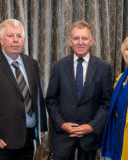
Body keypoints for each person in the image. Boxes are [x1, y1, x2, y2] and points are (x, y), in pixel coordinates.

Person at [0, 19, 47, 160]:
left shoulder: (32, 63)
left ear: (24, 40)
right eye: (10, 36)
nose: (15, 40)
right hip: (2, 142)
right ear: (1, 40)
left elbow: (38, 97)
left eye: (19, 36)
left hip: (28, 138)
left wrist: (42, 125)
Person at [45, 20, 112, 160]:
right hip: (63, 137)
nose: (80, 42)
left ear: (91, 40)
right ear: (70, 41)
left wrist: (92, 126)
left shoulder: (103, 68)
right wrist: (62, 124)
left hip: (89, 137)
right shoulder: (59, 66)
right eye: (76, 38)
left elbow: (106, 103)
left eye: (84, 38)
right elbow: (51, 100)